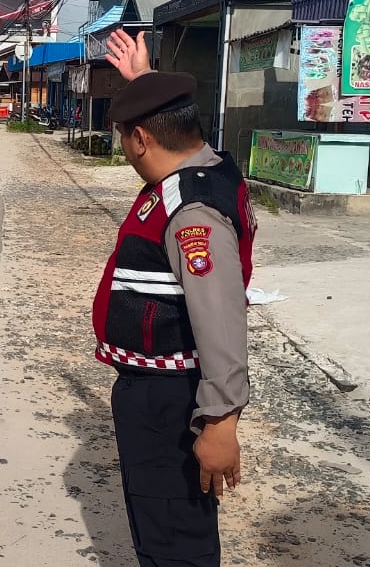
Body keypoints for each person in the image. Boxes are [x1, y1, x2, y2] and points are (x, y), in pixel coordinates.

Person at [94, 29, 255, 567]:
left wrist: (220, 420)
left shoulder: (193, 212)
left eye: (125, 136)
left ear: (141, 139)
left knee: (173, 543)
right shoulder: (199, 166)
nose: (125, 148)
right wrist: (144, 83)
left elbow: (220, 317)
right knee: (159, 527)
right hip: (156, 391)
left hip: (169, 402)